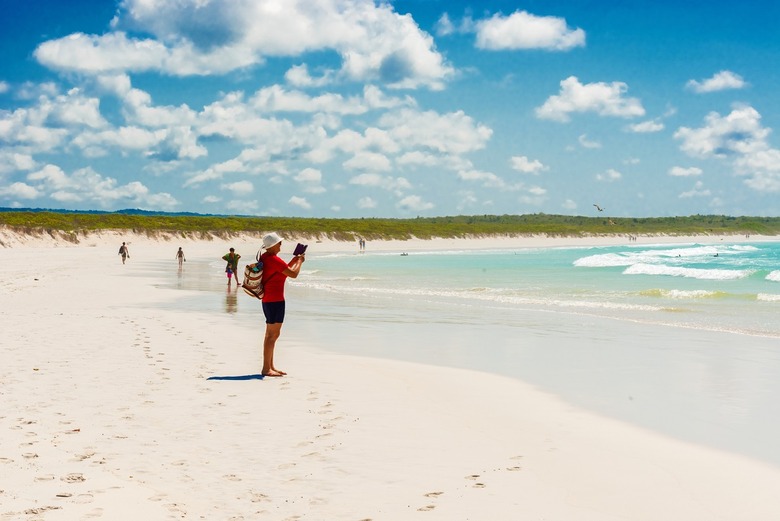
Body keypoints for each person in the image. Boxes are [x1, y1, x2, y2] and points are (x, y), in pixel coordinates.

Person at [259, 232, 305, 377]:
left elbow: (282, 271)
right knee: (273, 335)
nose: (281, 245)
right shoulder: (273, 259)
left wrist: (294, 260)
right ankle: (266, 369)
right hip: (275, 300)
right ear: (273, 246)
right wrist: (300, 262)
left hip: (269, 300)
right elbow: (293, 274)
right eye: (279, 243)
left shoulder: (266, 257)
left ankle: (270, 366)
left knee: (270, 335)